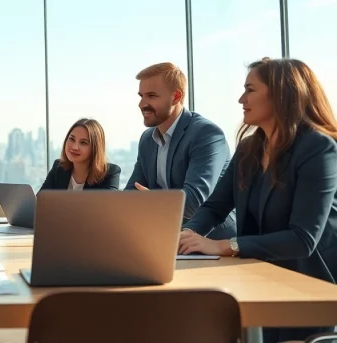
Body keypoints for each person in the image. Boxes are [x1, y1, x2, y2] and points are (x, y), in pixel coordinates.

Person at [179, 58, 337, 342]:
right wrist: (188, 233)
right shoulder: (249, 148)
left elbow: (302, 239)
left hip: (309, 289)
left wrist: (226, 245)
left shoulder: (318, 148)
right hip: (261, 279)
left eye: (250, 90)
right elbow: (216, 206)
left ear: (281, 94)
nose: (241, 99)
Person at [125, 62, 236, 239]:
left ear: (176, 97)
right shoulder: (147, 140)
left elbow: (193, 202)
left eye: (151, 96)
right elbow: (131, 194)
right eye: (141, 96)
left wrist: (150, 200)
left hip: (212, 241)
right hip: (168, 239)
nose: (142, 104)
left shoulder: (206, 134)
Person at [40, 118, 121, 191]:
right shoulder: (58, 167)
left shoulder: (110, 173)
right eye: (71, 139)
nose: (75, 147)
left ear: (95, 148)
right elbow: (41, 201)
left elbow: (106, 206)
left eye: (83, 143)